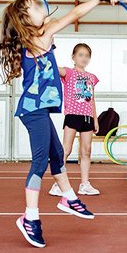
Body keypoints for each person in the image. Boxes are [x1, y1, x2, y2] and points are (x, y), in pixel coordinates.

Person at [0, 0, 118, 247]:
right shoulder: (41, 35)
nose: (42, 9)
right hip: (32, 110)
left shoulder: (35, 39)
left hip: (38, 110)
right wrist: (99, 0)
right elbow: (74, 14)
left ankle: (69, 198)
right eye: (35, 7)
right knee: (41, 161)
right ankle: (29, 218)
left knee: (56, 154)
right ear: (25, 18)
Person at [48, 43, 101, 196]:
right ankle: (58, 184)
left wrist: (95, 119)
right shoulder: (69, 73)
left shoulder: (92, 77)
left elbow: (92, 99)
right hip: (72, 115)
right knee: (66, 149)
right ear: (73, 57)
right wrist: (48, 50)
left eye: (87, 55)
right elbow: (54, 68)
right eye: (81, 55)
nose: (84, 58)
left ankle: (84, 184)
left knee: (86, 151)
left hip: (87, 117)